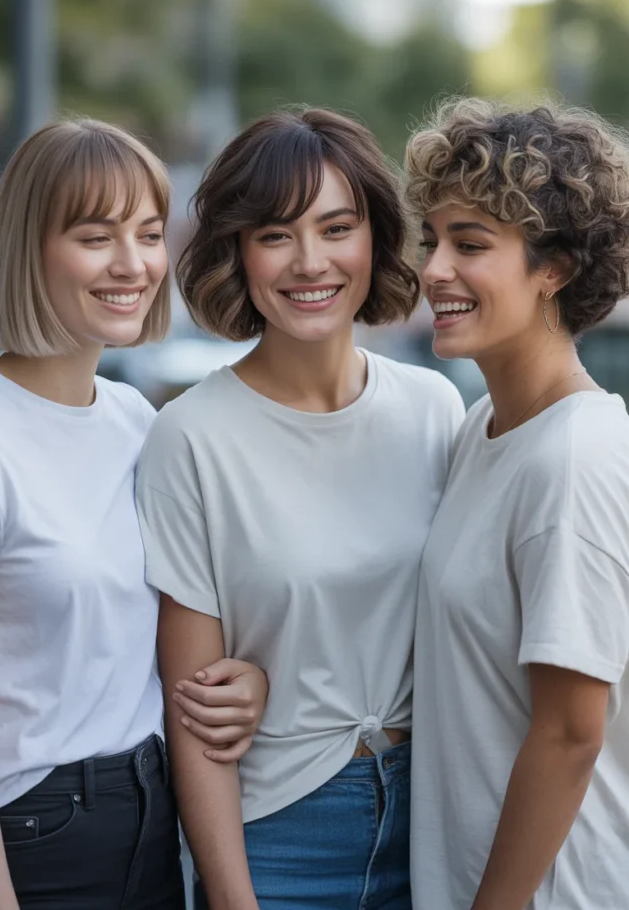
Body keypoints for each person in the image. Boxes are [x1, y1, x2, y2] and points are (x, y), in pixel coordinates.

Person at [136, 107, 465, 910]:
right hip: (282, 834)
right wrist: (232, 896)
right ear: (239, 252)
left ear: (375, 239)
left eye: (336, 226)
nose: (309, 261)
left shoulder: (436, 408)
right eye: (275, 234)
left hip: (439, 817)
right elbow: (195, 717)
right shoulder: (190, 438)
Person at [0, 118, 268, 910]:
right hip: (34, 836)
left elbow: (169, 637)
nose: (133, 264)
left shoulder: (139, 422)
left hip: (156, 818)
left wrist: (249, 681)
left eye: (149, 233)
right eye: (97, 236)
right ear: (30, 248)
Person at [405, 97, 629, 910]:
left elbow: (572, 732)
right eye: (432, 241)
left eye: (470, 245)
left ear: (554, 269)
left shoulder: (575, 457)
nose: (433, 270)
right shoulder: (481, 430)